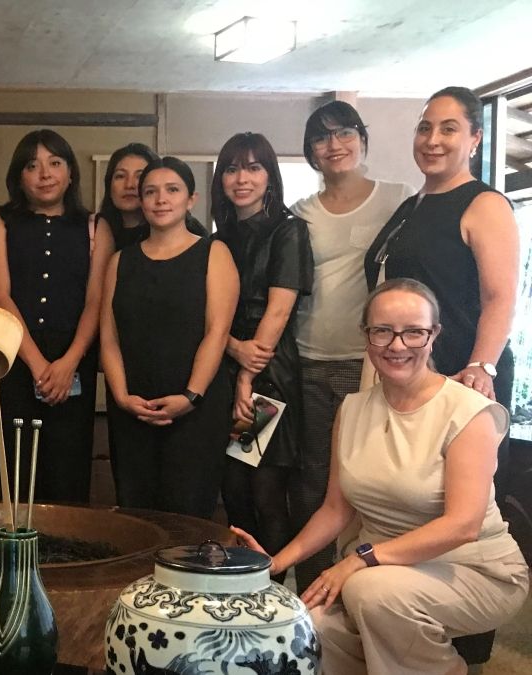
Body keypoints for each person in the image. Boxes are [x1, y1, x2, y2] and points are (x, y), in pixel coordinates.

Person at [232, 278, 528, 675]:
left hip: (473, 570)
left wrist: (361, 560)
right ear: (366, 335)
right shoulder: (352, 409)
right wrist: (274, 563)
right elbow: (335, 510)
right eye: (383, 331)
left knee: (370, 593)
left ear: (434, 334)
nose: (397, 345)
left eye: (414, 332)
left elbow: (463, 525)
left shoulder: (468, 411)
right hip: (379, 572)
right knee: (310, 627)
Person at [365, 86, 520, 498]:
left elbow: (501, 297)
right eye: (425, 128)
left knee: (458, 500)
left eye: (448, 129)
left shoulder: (484, 204)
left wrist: (481, 367)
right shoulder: (411, 206)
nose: (432, 140)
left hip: (460, 375)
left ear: (475, 138)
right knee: (403, 494)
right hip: (412, 372)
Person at [288, 100, 415, 592]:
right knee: (313, 480)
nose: (334, 145)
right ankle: (313, 592)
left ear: (362, 139)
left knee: (375, 479)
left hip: (372, 364)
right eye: (321, 138)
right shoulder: (300, 213)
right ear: (310, 151)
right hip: (308, 360)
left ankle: (369, 585)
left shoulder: (399, 199)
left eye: (344, 133)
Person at [0, 129, 114, 504]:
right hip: (16, 362)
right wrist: (38, 366)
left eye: (55, 163)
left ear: (70, 173)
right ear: (18, 176)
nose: (45, 174)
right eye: (32, 165)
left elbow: (96, 300)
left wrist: (70, 362)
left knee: (68, 472)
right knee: (14, 472)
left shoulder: (95, 226)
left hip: (75, 362)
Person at [99, 157, 238, 515]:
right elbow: (109, 339)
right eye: (151, 192)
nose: (161, 199)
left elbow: (217, 332)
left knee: (187, 517)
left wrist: (190, 396)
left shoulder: (213, 252)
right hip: (132, 409)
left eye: (172, 190)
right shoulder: (120, 261)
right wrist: (122, 397)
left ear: (191, 199)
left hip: (195, 409)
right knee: (136, 516)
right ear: (141, 202)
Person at [212, 132, 313, 568]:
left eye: (254, 168)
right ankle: (241, 584)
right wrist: (233, 350)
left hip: (266, 375)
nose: (242, 179)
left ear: (270, 176)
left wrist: (246, 376)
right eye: (232, 169)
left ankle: (270, 588)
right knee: (232, 490)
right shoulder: (217, 238)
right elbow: (206, 313)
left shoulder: (288, 230)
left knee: (264, 491)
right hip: (224, 365)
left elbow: (278, 311)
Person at [96, 142, 207, 252]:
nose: (129, 185)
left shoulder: (193, 233)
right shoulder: (96, 229)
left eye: (140, 176)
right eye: (120, 176)